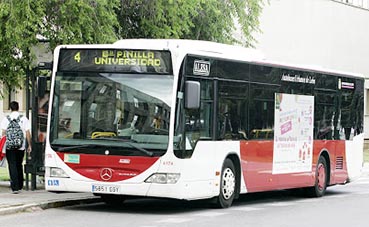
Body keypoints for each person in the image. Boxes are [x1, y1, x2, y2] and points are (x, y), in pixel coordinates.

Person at [1, 101, 32, 194]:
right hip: (20, 146)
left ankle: (14, 187)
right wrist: (29, 144)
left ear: (10, 108)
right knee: (19, 164)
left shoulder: (6, 119)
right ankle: (20, 185)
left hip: (9, 146)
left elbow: (3, 133)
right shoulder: (24, 119)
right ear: (18, 108)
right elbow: (27, 133)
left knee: (12, 165)